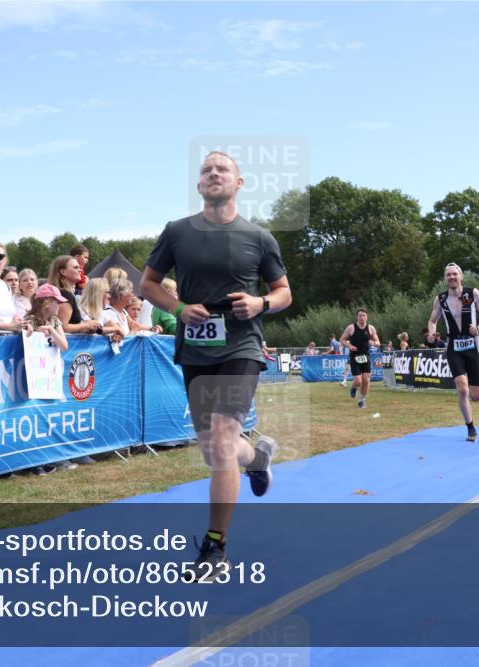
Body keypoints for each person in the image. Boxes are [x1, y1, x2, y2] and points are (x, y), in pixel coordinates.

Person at [139, 150, 291, 582]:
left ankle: (214, 548)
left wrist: (262, 302)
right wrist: (180, 307)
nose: (213, 174)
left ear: (239, 183)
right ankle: (258, 459)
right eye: (206, 170)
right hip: (196, 349)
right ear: (199, 185)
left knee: (222, 442)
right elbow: (147, 284)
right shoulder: (177, 232)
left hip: (242, 345)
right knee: (215, 451)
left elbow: (284, 292)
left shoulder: (259, 238)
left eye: (222, 169)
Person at [426, 262, 479, 443]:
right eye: (448, 275)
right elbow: (432, 321)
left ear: (461, 276)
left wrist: (478, 328)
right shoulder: (440, 299)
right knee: (462, 388)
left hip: (472, 345)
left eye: (454, 274)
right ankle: (470, 428)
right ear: (445, 278)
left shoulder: (472, 294)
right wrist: (432, 333)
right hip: (453, 346)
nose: (452, 277)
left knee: (476, 396)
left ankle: (471, 394)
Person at [340, 308, 380, 409]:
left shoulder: (371, 328)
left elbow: (378, 342)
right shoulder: (351, 328)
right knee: (358, 382)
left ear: (367, 317)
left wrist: (374, 343)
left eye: (364, 315)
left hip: (366, 356)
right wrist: (350, 346)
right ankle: (353, 387)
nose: (362, 317)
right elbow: (342, 339)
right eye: (360, 315)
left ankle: (362, 400)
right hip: (354, 356)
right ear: (357, 317)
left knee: (366, 380)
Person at [50, 254, 100, 335]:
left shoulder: (63, 293)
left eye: (79, 267)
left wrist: (86, 327)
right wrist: (85, 325)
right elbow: (62, 327)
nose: (80, 270)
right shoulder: (64, 295)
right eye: (76, 267)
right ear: (63, 272)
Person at [25, 283, 68, 352]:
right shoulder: (31, 319)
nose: (60, 305)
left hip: (50, 361)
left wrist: (50, 329)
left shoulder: (55, 320)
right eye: (58, 302)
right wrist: (36, 332)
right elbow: (26, 341)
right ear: (47, 303)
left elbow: (64, 347)